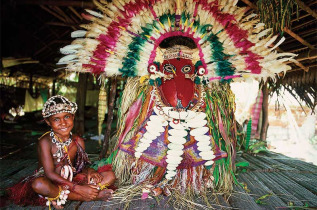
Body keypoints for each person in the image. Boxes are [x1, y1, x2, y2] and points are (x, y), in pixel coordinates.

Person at [8, 95, 116, 209]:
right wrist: (77, 188)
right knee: (39, 184)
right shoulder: (45, 142)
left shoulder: (78, 141)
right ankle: (87, 196)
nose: (63, 123)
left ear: (73, 117)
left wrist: (91, 171)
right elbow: (49, 173)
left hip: (71, 179)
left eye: (67, 117)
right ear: (48, 122)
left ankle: (62, 196)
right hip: (52, 181)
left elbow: (80, 166)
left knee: (109, 175)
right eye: (56, 119)